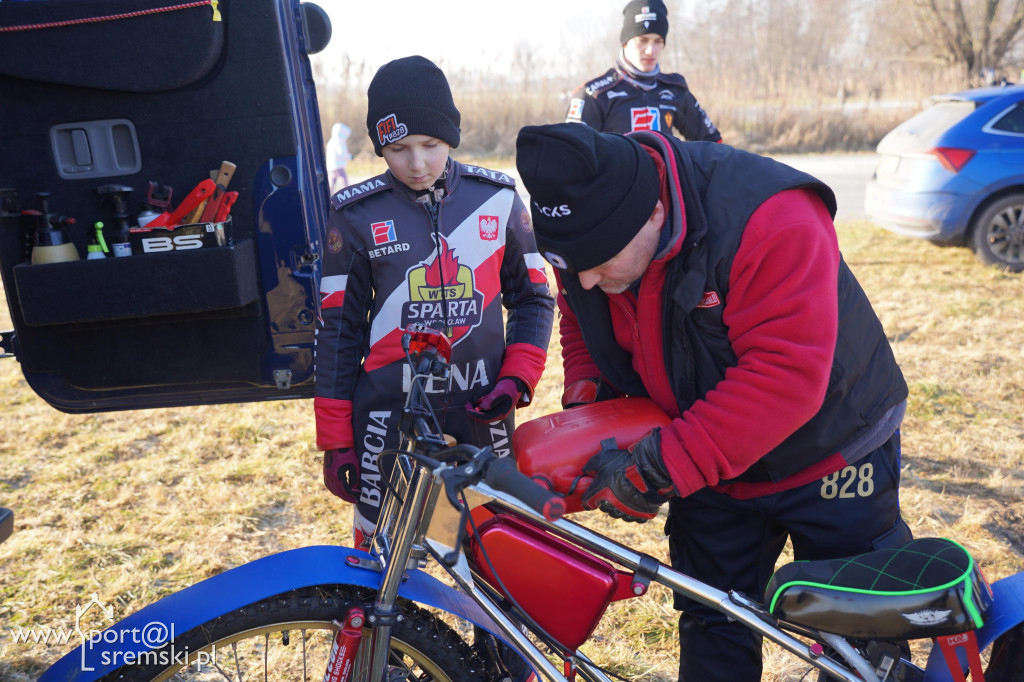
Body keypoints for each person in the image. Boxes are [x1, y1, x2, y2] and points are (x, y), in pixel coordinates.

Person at [515, 123, 912, 681]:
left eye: (598, 263)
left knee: (862, 639)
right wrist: (591, 405)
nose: (583, 279)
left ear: (652, 214)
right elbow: (580, 321)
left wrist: (659, 466)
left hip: (834, 448)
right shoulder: (591, 245)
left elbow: (785, 379)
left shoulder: (771, 217)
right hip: (709, 457)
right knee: (714, 623)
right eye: (568, 264)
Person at [315, 56, 554, 549]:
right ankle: (396, 631)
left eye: (431, 145)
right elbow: (338, 331)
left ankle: (492, 630)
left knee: (495, 551)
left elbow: (533, 298)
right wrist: (337, 440)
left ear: (452, 138)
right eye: (399, 149)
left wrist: (517, 378)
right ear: (380, 146)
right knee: (382, 560)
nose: (417, 163)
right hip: (386, 415)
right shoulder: (354, 215)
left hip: (482, 409)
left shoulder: (499, 199)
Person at [564, 0, 720, 142]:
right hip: (618, 173)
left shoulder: (675, 89)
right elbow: (572, 154)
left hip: (664, 174)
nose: (651, 50)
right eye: (642, 41)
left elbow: (712, 144)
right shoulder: (594, 94)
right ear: (625, 43)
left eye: (658, 41)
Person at [326, 121, 352, 194]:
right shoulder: (340, 142)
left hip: (331, 165)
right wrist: (350, 157)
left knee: (332, 180)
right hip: (339, 165)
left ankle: (329, 193)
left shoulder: (331, 141)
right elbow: (342, 153)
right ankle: (348, 193)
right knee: (344, 180)